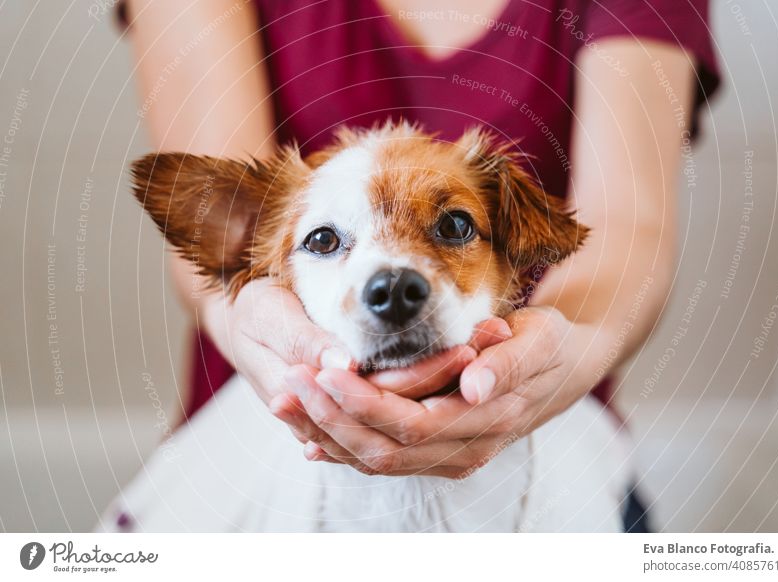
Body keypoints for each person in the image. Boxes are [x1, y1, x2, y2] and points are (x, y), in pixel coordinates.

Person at [123, 0, 718, 528]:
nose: (393, 284)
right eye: (326, 241)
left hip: (549, 422)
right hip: (254, 464)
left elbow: (625, 227)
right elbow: (215, 273)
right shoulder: (242, 231)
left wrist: (567, 347)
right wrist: (249, 322)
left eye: (454, 226)